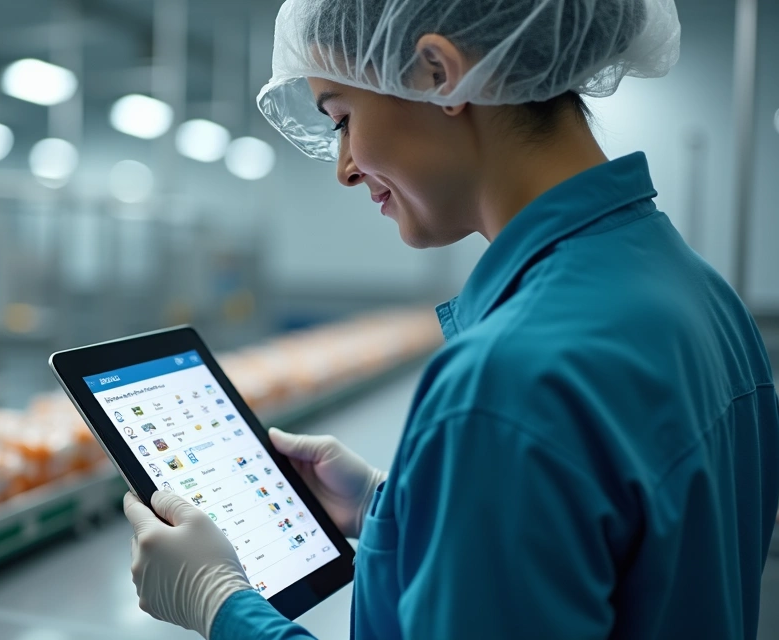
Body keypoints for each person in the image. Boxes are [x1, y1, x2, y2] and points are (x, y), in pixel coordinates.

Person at [121, 0, 779, 638]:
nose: (346, 168)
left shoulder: (506, 382)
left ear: (442, 74)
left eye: (342, 117)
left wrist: (223, 605)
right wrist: (402, 507)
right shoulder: (703, 297)